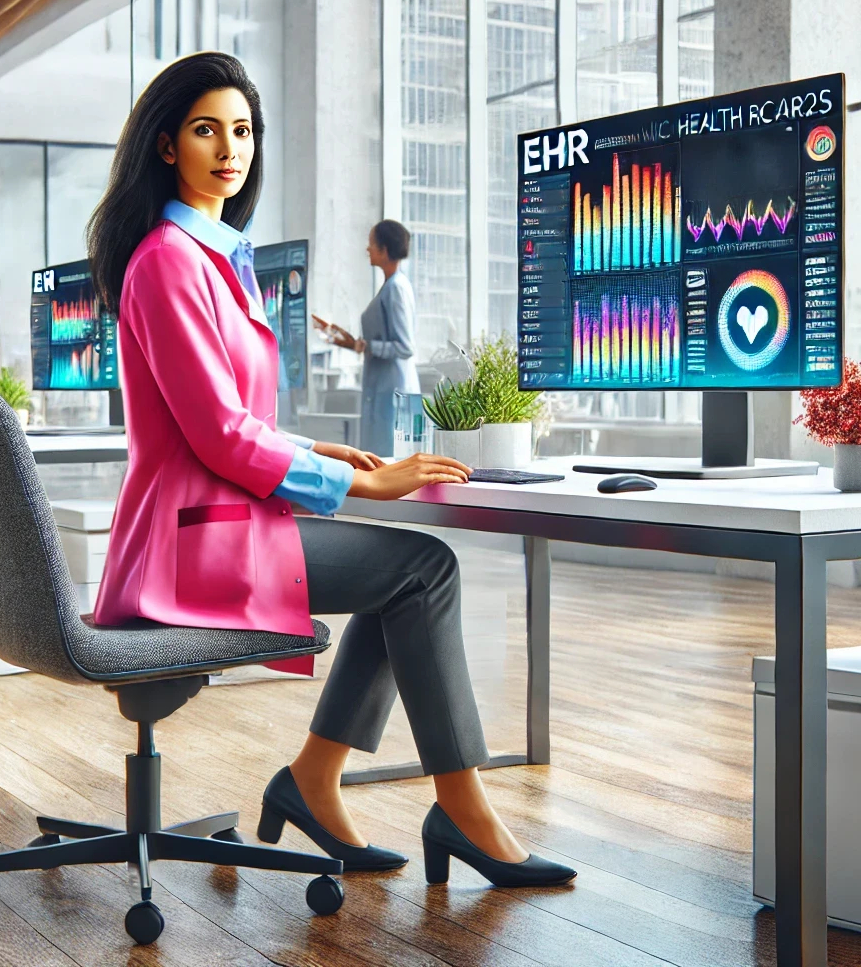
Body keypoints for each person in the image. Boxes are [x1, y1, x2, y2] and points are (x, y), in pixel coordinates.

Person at [85, 52, 573, 888]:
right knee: (423, 569)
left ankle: (313, 780)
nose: (229, 149)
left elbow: (235, 423)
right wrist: (361, 482)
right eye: (207, 130)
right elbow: (218, 437)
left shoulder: (207, 256)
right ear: (166, 146)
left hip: (211, 526)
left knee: (404, 576)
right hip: (192, 545)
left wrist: (322, 453)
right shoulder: (169, 260)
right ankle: (460, 807)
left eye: (241, 131)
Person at [314, 219, 418, 457]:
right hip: (381, 389)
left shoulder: (397, 289)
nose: (367, 249)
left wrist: (367, 346)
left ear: (384, 250)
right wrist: (352, 343)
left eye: (371, 244)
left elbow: (405, 347)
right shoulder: (391, 286)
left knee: (387, 461)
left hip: (391, 391)